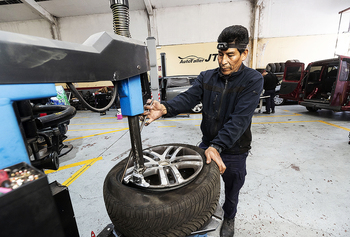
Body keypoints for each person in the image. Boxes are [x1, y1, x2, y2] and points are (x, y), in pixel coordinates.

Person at [143, 25, 263, 237]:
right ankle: (200, 215)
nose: (223, 61)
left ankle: (229, 217)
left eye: (230, 55)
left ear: (244, 53)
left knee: (232, 189)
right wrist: (165, 108)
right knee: (198, 187)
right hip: (208, 144)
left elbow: (240, 119)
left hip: (235, 149)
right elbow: (188, 98)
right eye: (220, 54)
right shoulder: (206, 77)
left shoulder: (253, 79)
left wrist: (218, 146)